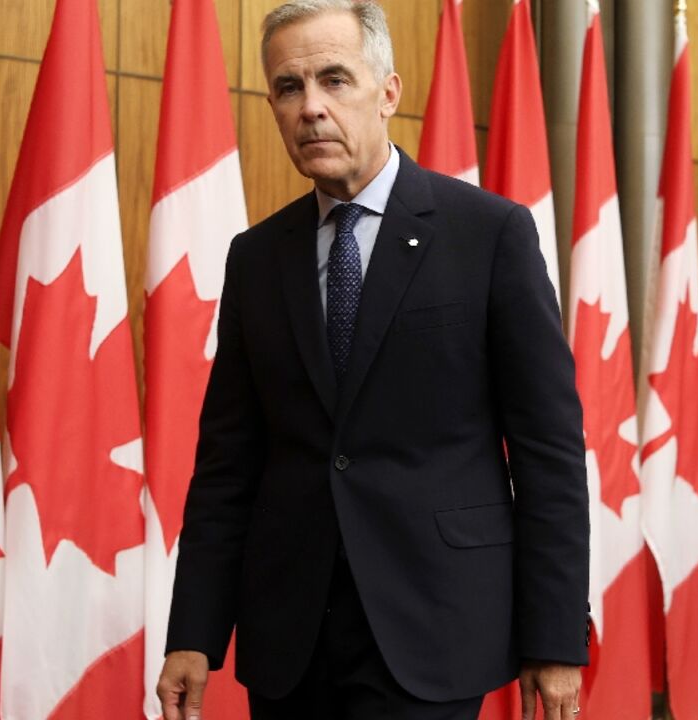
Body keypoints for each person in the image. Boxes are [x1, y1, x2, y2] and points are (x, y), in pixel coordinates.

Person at [157, 2, 589, 718]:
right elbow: (227, 465)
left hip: (433, 627)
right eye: (289, 89)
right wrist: (195, 632)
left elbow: (548, 454)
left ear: (388, 92)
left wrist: (554, 638)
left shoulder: (488, 236)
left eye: (334, 79)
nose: (312, 108)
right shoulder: (257, 258)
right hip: (291, 640)